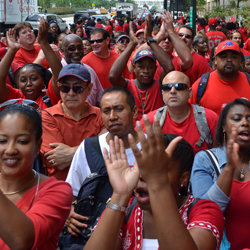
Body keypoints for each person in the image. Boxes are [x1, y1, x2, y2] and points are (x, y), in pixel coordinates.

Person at [84, 116, 224, 250]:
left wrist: (158, 184)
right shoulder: (126, 210)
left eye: (159, 170)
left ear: (183, 178)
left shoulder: (204, 210)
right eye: (141, 167)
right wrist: (120, 195)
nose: (144, 176)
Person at [65, 86, 140, 236]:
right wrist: (68, 212)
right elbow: (71, 193)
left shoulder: (150, 148)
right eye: (106, 111)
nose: (112, 116)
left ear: (134, 111)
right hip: (96, 234)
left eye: (118, 109)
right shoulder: (88, 147)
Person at [0, 103, 72, 249]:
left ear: (38, 146)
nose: (10, 150)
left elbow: (22, 240)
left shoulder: (57, 190)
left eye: (22, 141)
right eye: (2, 141)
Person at [190, 98, 250, 250]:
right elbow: (204, 213)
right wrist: (229, 168)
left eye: (249, 119)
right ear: (223, 126)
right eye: (237, 119)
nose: (245, 123)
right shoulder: (205, 160)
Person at [41, 64, 105, 180]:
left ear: (89, 89)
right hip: (60, 187)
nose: (71, 93)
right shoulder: (47, 116)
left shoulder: (101, 115)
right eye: (65, 88)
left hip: (97, 186)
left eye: (77, 88)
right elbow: (57, 160)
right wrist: (94, 149)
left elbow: (107, 151)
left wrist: (71, 153)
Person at [109, 15, 174, 121]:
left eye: (150, 67)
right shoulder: (128, 85)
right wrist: (132, 44)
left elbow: (169, 68)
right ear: (134, 68)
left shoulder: (159, 85)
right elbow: (113, 76)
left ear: (155, 68)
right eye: (141, 67)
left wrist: (150, 40)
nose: (146, 71)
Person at [140, 71, 218, 154]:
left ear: (190, 92)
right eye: (167, 87)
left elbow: (221, 155)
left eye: (179, 87)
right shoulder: (149, 121)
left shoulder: (209, 119)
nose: (172, 91)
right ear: (162, 93)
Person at [0, 20, 62, 109]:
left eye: (34, 79)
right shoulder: (16, 97)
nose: (29, 84)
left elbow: (59, 74)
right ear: (17, 84)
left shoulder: (49, 97)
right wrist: (11, 50)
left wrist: (44, 42)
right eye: (23, 80)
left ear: (43, 81)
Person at [190, 40, 250, 115]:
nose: (229, 60)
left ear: (240, 60)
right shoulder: (201, 85)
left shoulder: (248, 81)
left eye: (234, 57)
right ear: (215, 60)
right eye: (223, 56)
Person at [61, 34, 103, 106]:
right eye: (72, 49)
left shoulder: (90, 71)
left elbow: (100, 99)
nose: (77, 51)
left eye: (80, 48)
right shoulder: (54, 72)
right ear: (62, 51)